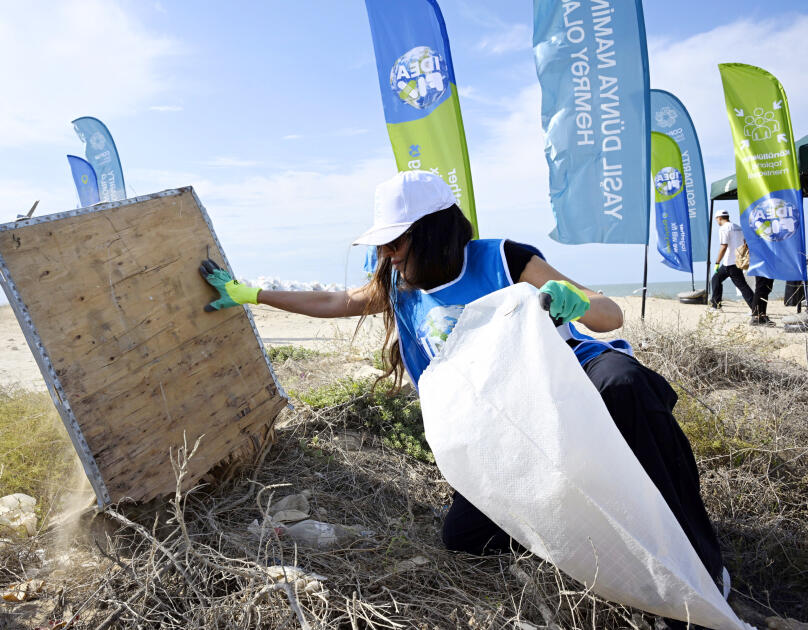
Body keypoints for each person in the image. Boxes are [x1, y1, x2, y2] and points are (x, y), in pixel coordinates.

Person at [199, 170, 727, 596]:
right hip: (504, 420)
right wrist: (253, 294)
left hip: (566, 380)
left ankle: (701, 565)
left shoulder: (504, 258)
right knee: (466, 538)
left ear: (432, 229)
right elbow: (333, 303)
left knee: (623, 382)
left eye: (397, 240)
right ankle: (596, 537)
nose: (389, 253)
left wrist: (577, 302)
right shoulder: (397, 285)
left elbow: (610, 315)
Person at [710, 209, 754, 311]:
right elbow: (745, 243)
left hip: (729, 264)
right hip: (737, 261)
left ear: (719, 218)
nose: (717, 222)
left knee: (742, 287)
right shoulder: (738, 227)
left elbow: (723, 246)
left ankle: (756, 309)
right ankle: (716, 305)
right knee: (716, 279)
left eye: (716, 219)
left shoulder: (724, 228)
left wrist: (717, 262)